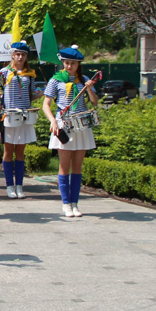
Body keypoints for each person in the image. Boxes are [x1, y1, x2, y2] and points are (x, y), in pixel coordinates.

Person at [42, 46, 99, 217]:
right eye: (66, 63)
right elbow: (46, 104)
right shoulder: (56, 80)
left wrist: (89, 88)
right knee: (64, 166)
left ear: (78, 64)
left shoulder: (85, 80)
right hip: (63, 125)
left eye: (73, 63)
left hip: (81, 125)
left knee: (77, 167)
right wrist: (53, 120)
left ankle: (75, 203)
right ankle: (66, 203)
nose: (69, 66)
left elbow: (95, 102)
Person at [0, 41, 43, 198]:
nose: (20, 57)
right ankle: (9, 185)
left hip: (24, 115)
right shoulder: (4, 72)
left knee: (21, 152)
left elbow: (31, 94)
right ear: (12, 55)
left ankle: (19, 185)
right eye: (17, 54)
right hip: (10, 115)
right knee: (8, 151)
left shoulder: (30, 74)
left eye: (23, 54)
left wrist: (41, 94)